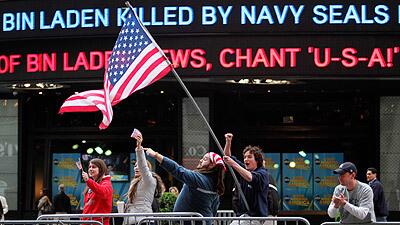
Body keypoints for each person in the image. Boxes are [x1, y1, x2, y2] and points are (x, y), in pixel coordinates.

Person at [144, 139, 225, 221]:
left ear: (212, 165)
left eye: (204, 159)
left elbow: (177, 170)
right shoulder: (215, 184)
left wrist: (155, 155)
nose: (200, 160)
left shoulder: (199, 179)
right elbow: (214, 210)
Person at [223, 133, 269, 223]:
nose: (245, 159)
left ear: (257, 160)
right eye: (244, 157)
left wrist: (233, 163)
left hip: (255, 217)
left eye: (249, 157)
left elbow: (250, 177)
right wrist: (228, 142)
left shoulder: (262, 173)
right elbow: (227, 157)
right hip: (243, 215)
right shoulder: (243, 169)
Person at [124, 132, 165, 224]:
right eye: (134, 166)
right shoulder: (135, 182)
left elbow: (143, 166)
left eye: (138, 165)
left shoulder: (149, 180)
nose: (136, 168)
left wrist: (139, 148)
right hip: (132, 220)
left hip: (143, 220)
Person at [82, 158, 113, 225]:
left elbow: (103, 193)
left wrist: (88, 180)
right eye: (89, 167)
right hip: (87, 222)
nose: (90, 169)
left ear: (101, 169)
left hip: (99, 222)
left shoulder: (106, 182)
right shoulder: (90, 184)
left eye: (94, 167)